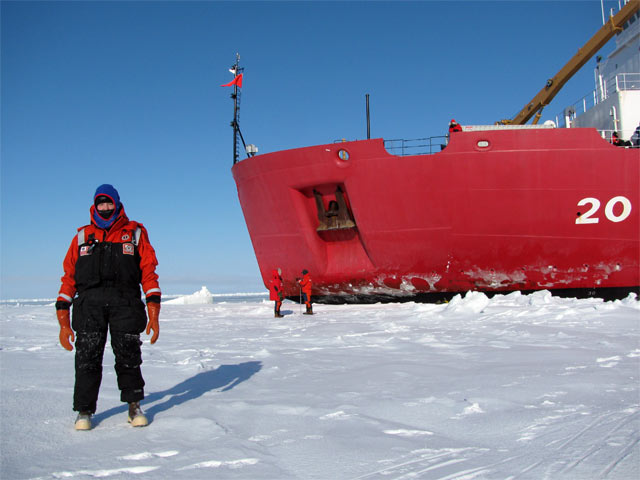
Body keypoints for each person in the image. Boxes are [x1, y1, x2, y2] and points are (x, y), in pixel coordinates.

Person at [56, 184, 161, 431]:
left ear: (117, 203)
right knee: (87, 359)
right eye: (100, 203)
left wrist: (154, 312)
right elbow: (69, 277)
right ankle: (84, 410)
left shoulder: (134, 233)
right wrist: (63, 319)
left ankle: (134, 405)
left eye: (109, 203)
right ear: (94, 205)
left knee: (128, 358)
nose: (105, 208)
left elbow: (148, 271)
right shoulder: (82, 237)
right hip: (89, 306)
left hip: (125, 303)